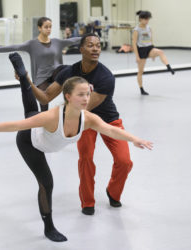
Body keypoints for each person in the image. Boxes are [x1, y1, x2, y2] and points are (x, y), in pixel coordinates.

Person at [0, 52, 153, 242]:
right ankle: (49, 227)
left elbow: (110, 130)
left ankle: (23, 76)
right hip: (30, 142)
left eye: (88, 94)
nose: (86, 99)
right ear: (68, 96)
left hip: (43, 135)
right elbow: (16, 126)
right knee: (47, 181)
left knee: (30, 109)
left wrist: (134, 139)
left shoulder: (89, 119)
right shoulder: (52, 116)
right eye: (80, 95)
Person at [14, 33, 139, 216]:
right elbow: (46, 97)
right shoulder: (69, 72)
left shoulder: (106, 77)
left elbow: (86, 107)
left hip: (107, 119)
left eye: (98, 45)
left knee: (124, 161)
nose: (95, 48)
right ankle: (87, 202)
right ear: (81, 49)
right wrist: (27, 80)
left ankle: (113, 191)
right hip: (83, 123)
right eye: (90, 45)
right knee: (86, 159)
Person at [0, 17, 81, 111]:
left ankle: (75, 103)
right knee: (44, 103)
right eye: (46, 27)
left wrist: (89, 37)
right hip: (41, 77)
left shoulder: (57, 42)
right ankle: (43, 121)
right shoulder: (32, 44)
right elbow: (16, 46)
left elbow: (73, 40)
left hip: (55, 73)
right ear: (39, 28)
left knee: (67, 69)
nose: (49, 29)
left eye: (50, 27)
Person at [132, 10, 174, 95]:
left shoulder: (149, 28)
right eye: (145, 19)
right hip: (141, 50)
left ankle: (168, 67)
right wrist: (137, 56)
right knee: (140, 71)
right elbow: (134, 43)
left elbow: (151, 40)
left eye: (148, 19)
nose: (147, 21)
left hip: (150, 48)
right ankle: (141, 89)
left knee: (160, 52)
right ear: (141, 19)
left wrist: (153, 53)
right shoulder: (136, 30)